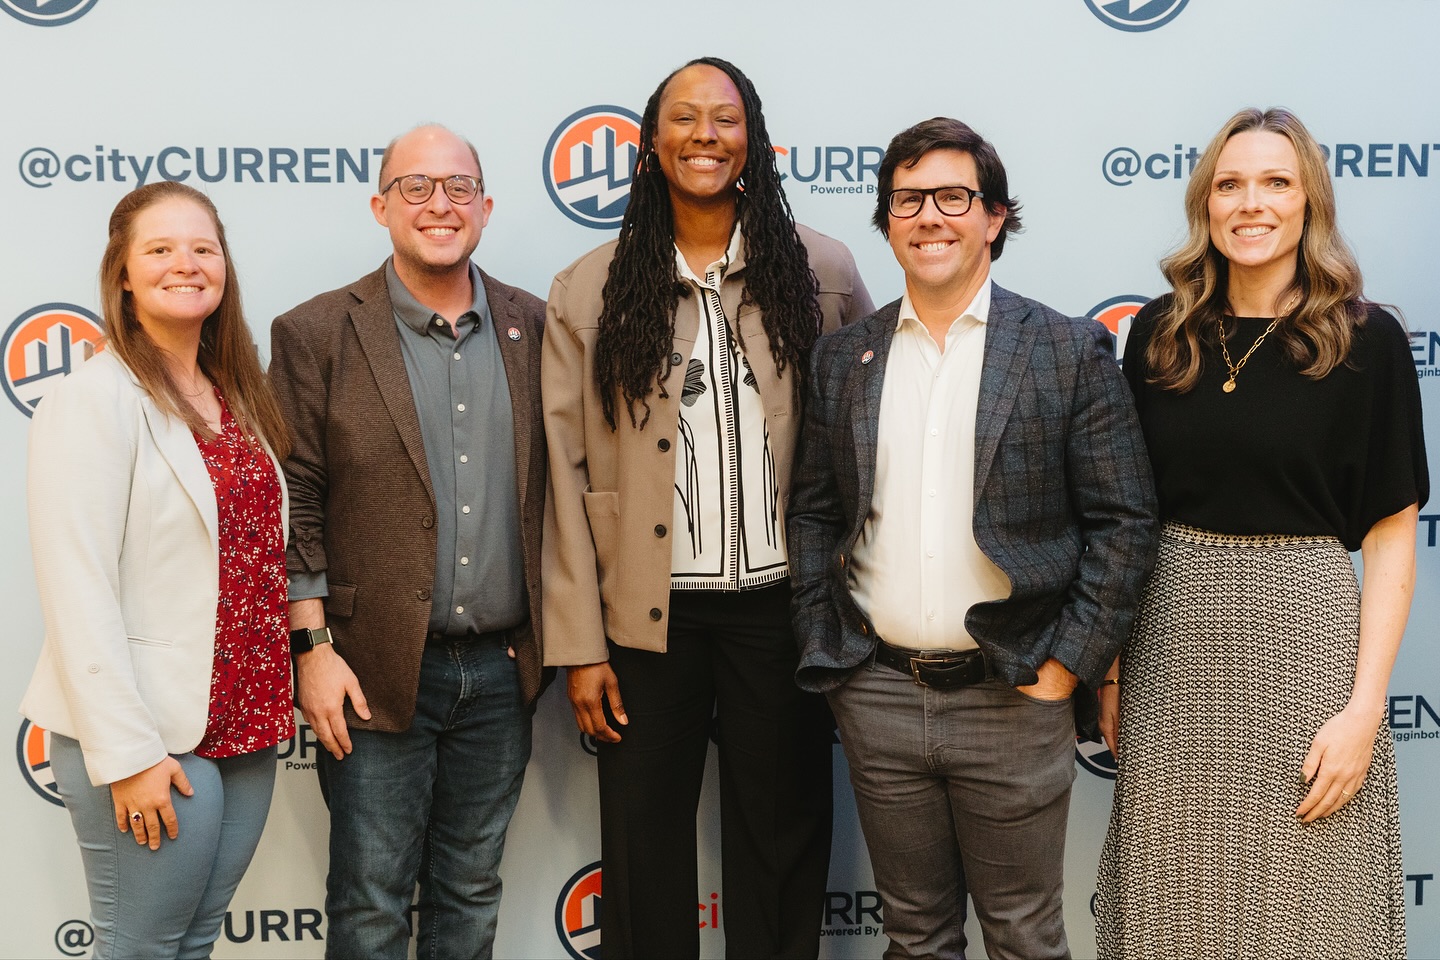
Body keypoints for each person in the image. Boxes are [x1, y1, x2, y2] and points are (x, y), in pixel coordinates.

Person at [787, 117, 1158, 960]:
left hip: (1015, 693)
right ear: (886, 223)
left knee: (1024, 936)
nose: (929, 217)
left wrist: (1065, 667)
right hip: (878, 694)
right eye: (907, 200)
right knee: (915, 939)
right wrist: (830, 644)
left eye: (953, 197)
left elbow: (1124, 523)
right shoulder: (844, 359)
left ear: (994, 217)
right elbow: (812, 514)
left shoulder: (1064, 350)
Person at [542, 56, 873, 959]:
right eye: (684, 119)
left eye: (724, 119)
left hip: (783, 612)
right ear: (651, 143)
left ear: (753, 140)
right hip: (648, 626)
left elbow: (867, 441)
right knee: (643, 854)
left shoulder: (822, 269)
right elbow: (566, 482)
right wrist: (579, 647)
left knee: (781, 843)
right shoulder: (590, 286)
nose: (705, 137)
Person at [1095, 107, 1428, 959]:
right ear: (1206, 203)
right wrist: (1114, 670)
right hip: (1173, 648)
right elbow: (1130, 522)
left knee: (1310, 909)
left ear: (1308, 201)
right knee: (1175, 910)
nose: (1252, 203)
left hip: (1306, 647)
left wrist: (1363, 710)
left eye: (1276, 182)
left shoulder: (1367, 341)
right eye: (1230, 183)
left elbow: (1392, 535)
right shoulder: (1161, 338)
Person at [268, 124, 547, 960]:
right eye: (416, 187)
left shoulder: (536, 326)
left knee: (471, 893)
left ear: (487, 208)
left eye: (458, 187)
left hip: (500, 675)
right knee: (370, 902)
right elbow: (298, 499)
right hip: (372, 668)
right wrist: (311, 646)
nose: (439, 205)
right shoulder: (315, 332)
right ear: (380, 205)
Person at [21, 180, 292, 958]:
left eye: (204, 248)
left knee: (195, 938)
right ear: (124, 274)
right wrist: (129, 753)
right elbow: (76, 588)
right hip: (148, 730)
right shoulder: (93, 399)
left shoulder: (238, 394)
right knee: (140, 945)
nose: (187, 263)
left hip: (242, 715)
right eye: (161, 249)